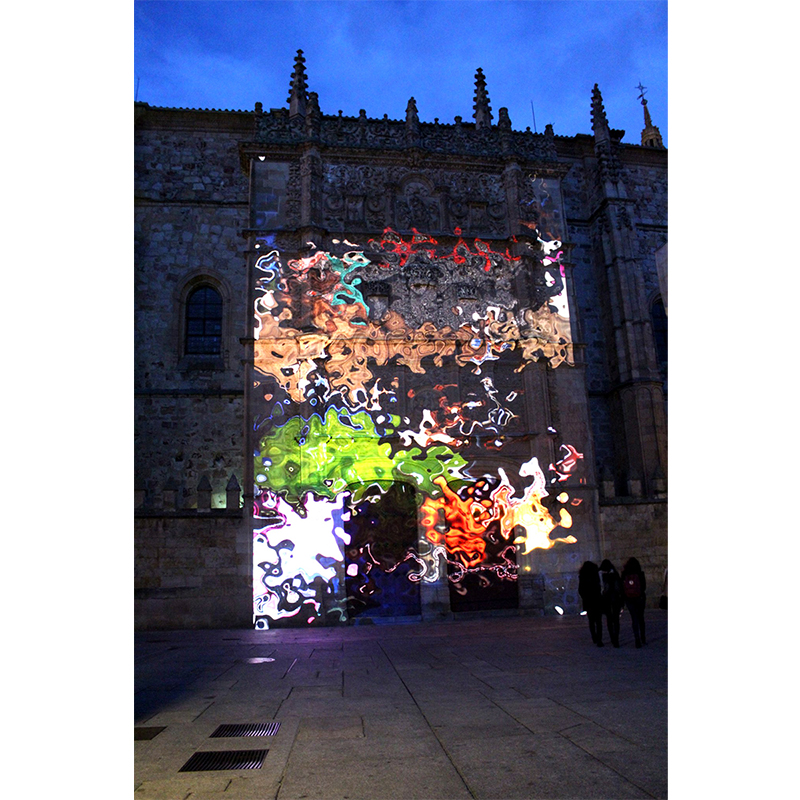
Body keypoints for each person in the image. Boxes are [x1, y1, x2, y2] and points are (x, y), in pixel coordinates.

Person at [622, 557, 647, 648]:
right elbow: (643, 587)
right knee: (641, 618)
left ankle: (637, 640)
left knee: (634, 619)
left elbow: (622, 587)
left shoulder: (624, 574)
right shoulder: (640, 573)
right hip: (639, 598)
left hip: (629, 599)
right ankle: (643, 638)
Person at [599, 559, 623, 648]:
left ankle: (612, 637)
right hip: (615, 599)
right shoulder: (615, 574)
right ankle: (616, 638)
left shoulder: (600, 575)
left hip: (605, 600)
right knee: (616, 620)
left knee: (609, 619)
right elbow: (619, 587)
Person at [578, 561, 603, 646]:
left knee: (591, 621)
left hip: (588, 601)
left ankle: (594, 637)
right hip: (596, 600)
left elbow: (580, 589)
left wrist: (585, 597)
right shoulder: (595, 575)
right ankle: (599, 639)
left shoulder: (582, 576)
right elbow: (599, 587)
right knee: (598, 621)